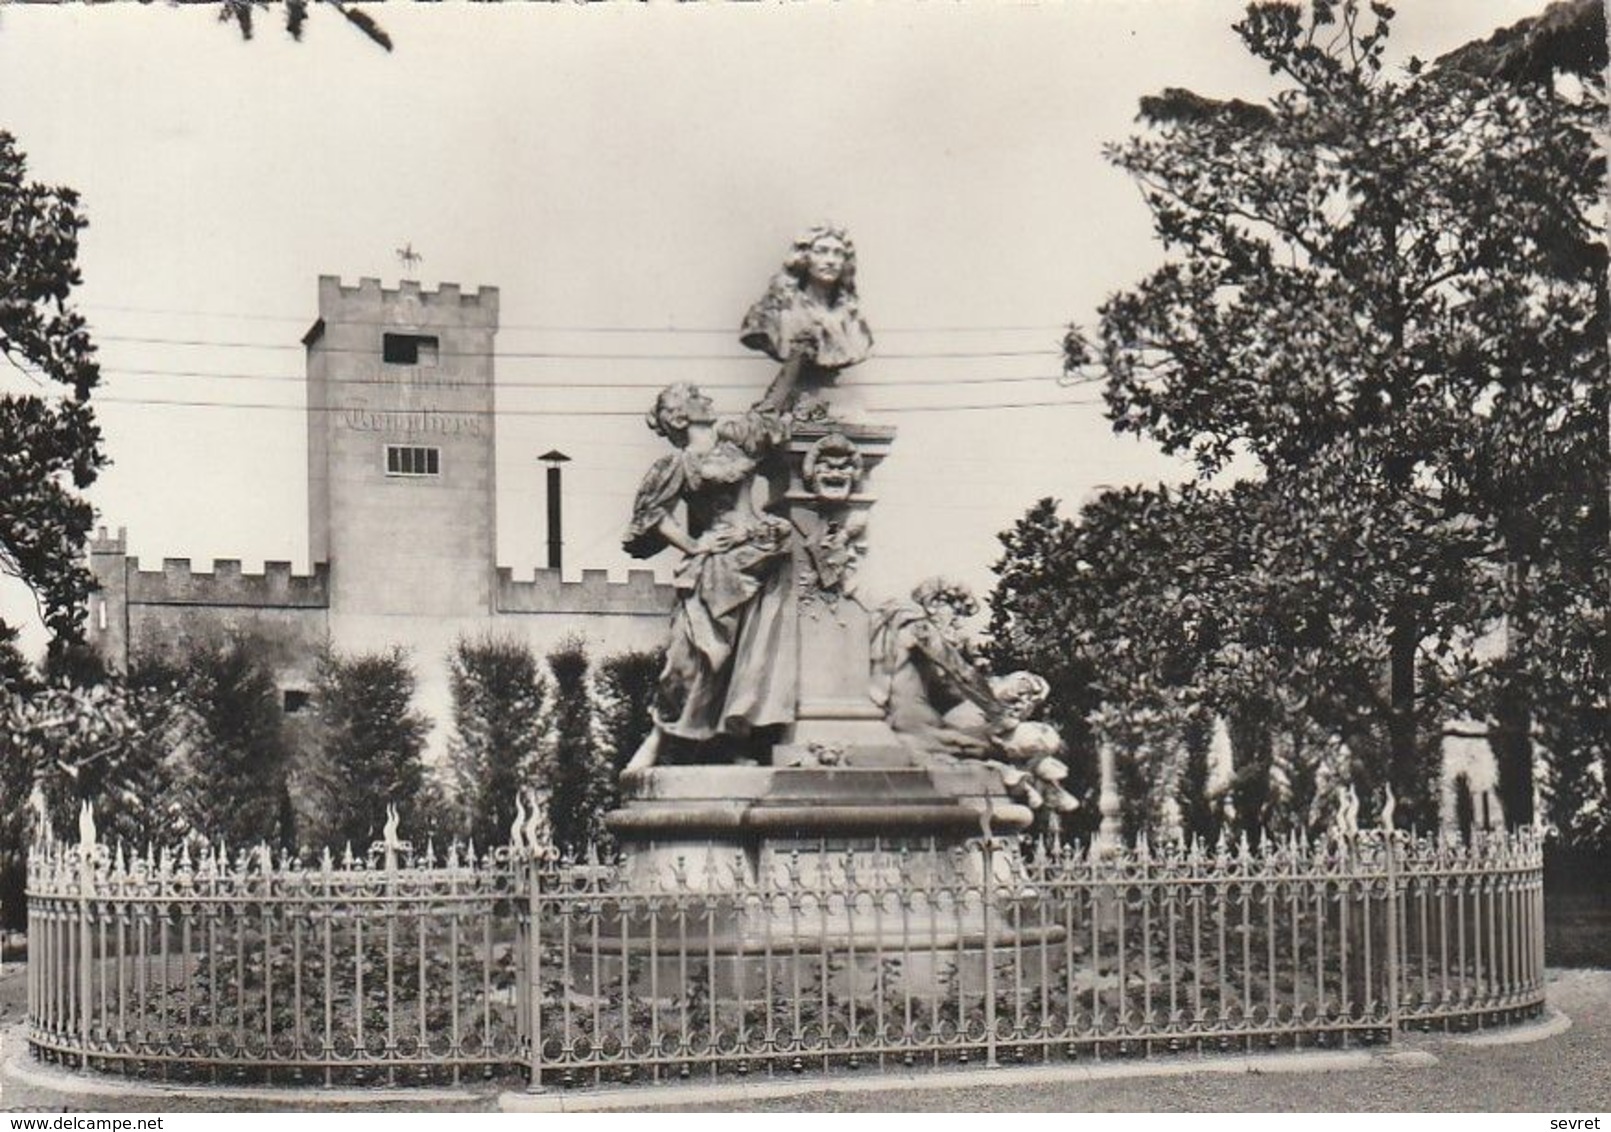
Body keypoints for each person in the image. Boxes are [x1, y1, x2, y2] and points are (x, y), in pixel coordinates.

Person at [622, 380, 798, 773]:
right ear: (682, 415)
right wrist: (693, 545)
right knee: (691, 657)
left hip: (758, 554)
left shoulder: (737, 441)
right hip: (716, 566)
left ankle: (735, 740)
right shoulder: (679, 464)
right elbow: (650, 515)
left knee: (751, 657)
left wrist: (797, 359)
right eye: (699, 397)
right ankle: (661, 736)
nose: (710, 398)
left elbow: (769, 404)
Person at [740, 225, 874, 398]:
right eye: (821, 251)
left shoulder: (853, 319)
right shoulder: (771, 312)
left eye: (838, 253)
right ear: (804, 257)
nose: (830, 260)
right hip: (797, 401)